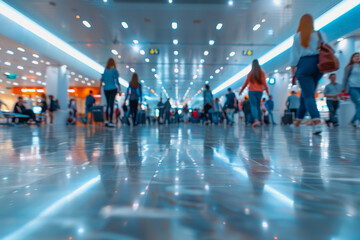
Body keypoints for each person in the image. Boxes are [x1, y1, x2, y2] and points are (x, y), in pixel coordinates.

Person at [290, 14, 325, 135]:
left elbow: (294, 56)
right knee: (306, 94)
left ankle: (316, 123)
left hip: (304, 65)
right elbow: (328, 48)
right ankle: (298, 121)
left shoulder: (298, 36)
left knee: (309, 95)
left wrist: (293, 71)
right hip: (318, 65)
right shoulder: (319, 34)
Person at [239, 59, 269, 127]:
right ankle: (259, 120)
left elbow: (246, 83)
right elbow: (264, 82)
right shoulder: (262, 72)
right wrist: (267, 90)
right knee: (258, 106)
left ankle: (256, 120)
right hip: (259, 91)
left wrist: (241, 91)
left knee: (253, 106)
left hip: (252, 91)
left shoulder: (250, 73)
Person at [100, 58, 121, 128]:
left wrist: (100, 89)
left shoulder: (105, 70)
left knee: (108, 104)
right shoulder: (114, 70)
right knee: (111, 104)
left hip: (106, 89)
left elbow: (101, 80)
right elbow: (117, 81)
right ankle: (111, 121)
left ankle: (106, 120)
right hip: (113, 88)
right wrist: (120, 89)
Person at [343, 52, 360, 128]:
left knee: (358, 105)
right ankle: (358, 121)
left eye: (358, 56)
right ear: (352, 58)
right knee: (359, 104)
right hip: (352, 88)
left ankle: (353, 121)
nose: (357, 57)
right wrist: (343, 90)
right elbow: (345, 79)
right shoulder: (349, 67)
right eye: (355, 56)